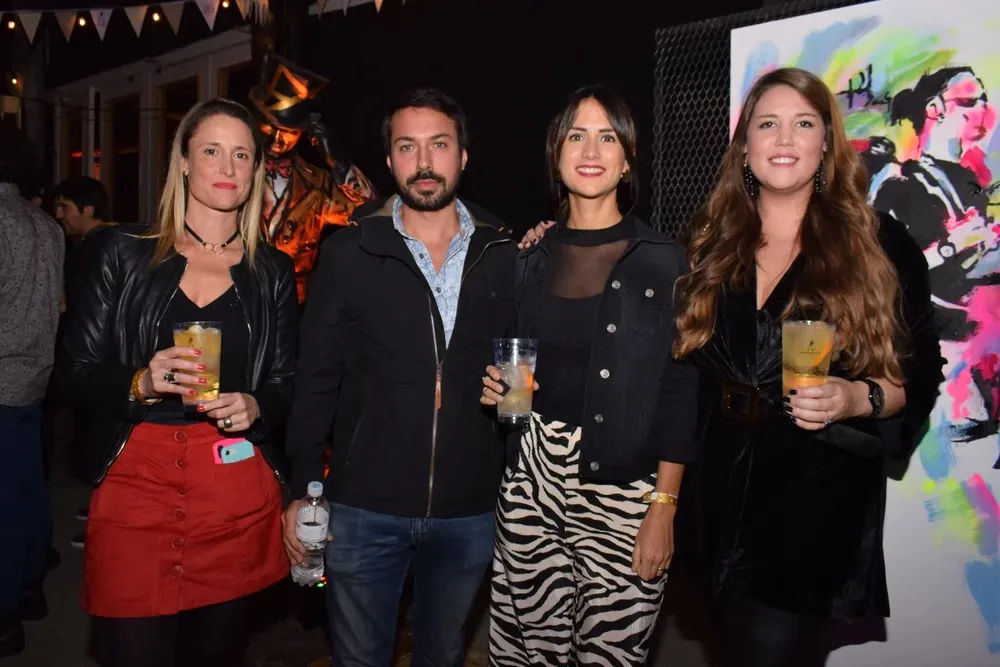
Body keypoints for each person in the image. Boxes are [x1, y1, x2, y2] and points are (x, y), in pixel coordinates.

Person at [670, 67, 942, 666]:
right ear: (745, 147)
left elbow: (917, 374)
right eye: (768, 124)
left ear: (826, 145)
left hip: (811, 509)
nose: (784, 138)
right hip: (715, 499)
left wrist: (854, 398)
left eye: (803, 124)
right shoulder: (709, 240)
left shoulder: (876, 243)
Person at [55, 98, 298, 667]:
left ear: (256, 170)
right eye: (211, 150)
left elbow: (290, 382)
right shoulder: (121, 252)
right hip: (136, 485)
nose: (228, 167)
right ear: (184, 162)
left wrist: (256, 404)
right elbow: (70, 375)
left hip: (232, 487)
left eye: (242, 155)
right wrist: (142, 381)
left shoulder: (273, 271)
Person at [283, 87, 515, 667]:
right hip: (365, 508)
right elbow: (315, 381)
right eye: (407, 147)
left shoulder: (506, 253)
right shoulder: (350, 251)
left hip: (469, 509)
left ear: (464, 156)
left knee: (442, 655)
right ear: (389, 162)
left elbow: (528, 368)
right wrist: (301, 489)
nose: (425, 162)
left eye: (439, 144)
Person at [478, 85, 700, 666]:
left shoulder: (664, 259)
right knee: (526, 653)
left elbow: (681, 390)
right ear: (556, 154)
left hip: (625, 487)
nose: (591, 149)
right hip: (530, 476)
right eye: (576, 135)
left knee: (611, 655)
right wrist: (496, 388)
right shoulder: (526, 256)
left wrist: (664, 506)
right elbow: (510, 362)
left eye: (608, 136)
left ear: (627, 160)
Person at [0, 119, 65, 658]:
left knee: (5, 497)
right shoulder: (46, 225)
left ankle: (4, 613)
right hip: (35, 374)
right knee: (25, 486)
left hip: (0, 375)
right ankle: (29, 589)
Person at [250, 53, 376, 304]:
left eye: (288, 132)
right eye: (269, 127)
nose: (277, 140)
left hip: (295, 305)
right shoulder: (235, 173)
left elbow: (371, 213)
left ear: (303, 134)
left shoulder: (318, 184)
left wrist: (336, 161)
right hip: (241, 298)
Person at [50, 175, 119, 548]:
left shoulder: (101, 245)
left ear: (87, 208)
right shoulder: (103, 242)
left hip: (100, 360)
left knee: (103, 443)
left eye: (65, 206)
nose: (58, 214)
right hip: (100, 359)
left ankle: (106, 524)